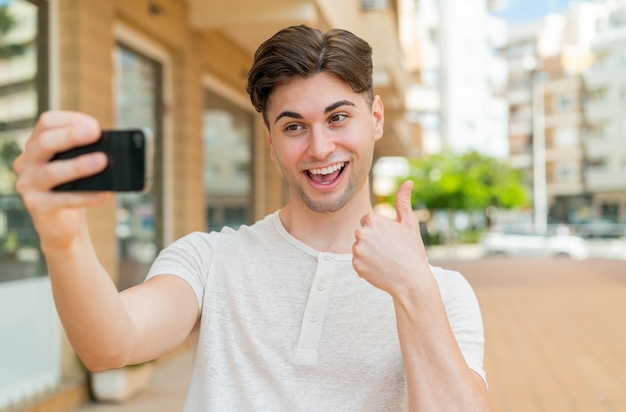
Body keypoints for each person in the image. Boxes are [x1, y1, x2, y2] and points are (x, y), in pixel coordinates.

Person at [13, 25, 491, 411]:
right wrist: (63, 238)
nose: (319, 147)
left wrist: (412, 291)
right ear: (268, 138)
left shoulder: (442, 292)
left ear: (377, 117)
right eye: (294, 126)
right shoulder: (210, 257)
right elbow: (110, 344)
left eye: (338, 118)